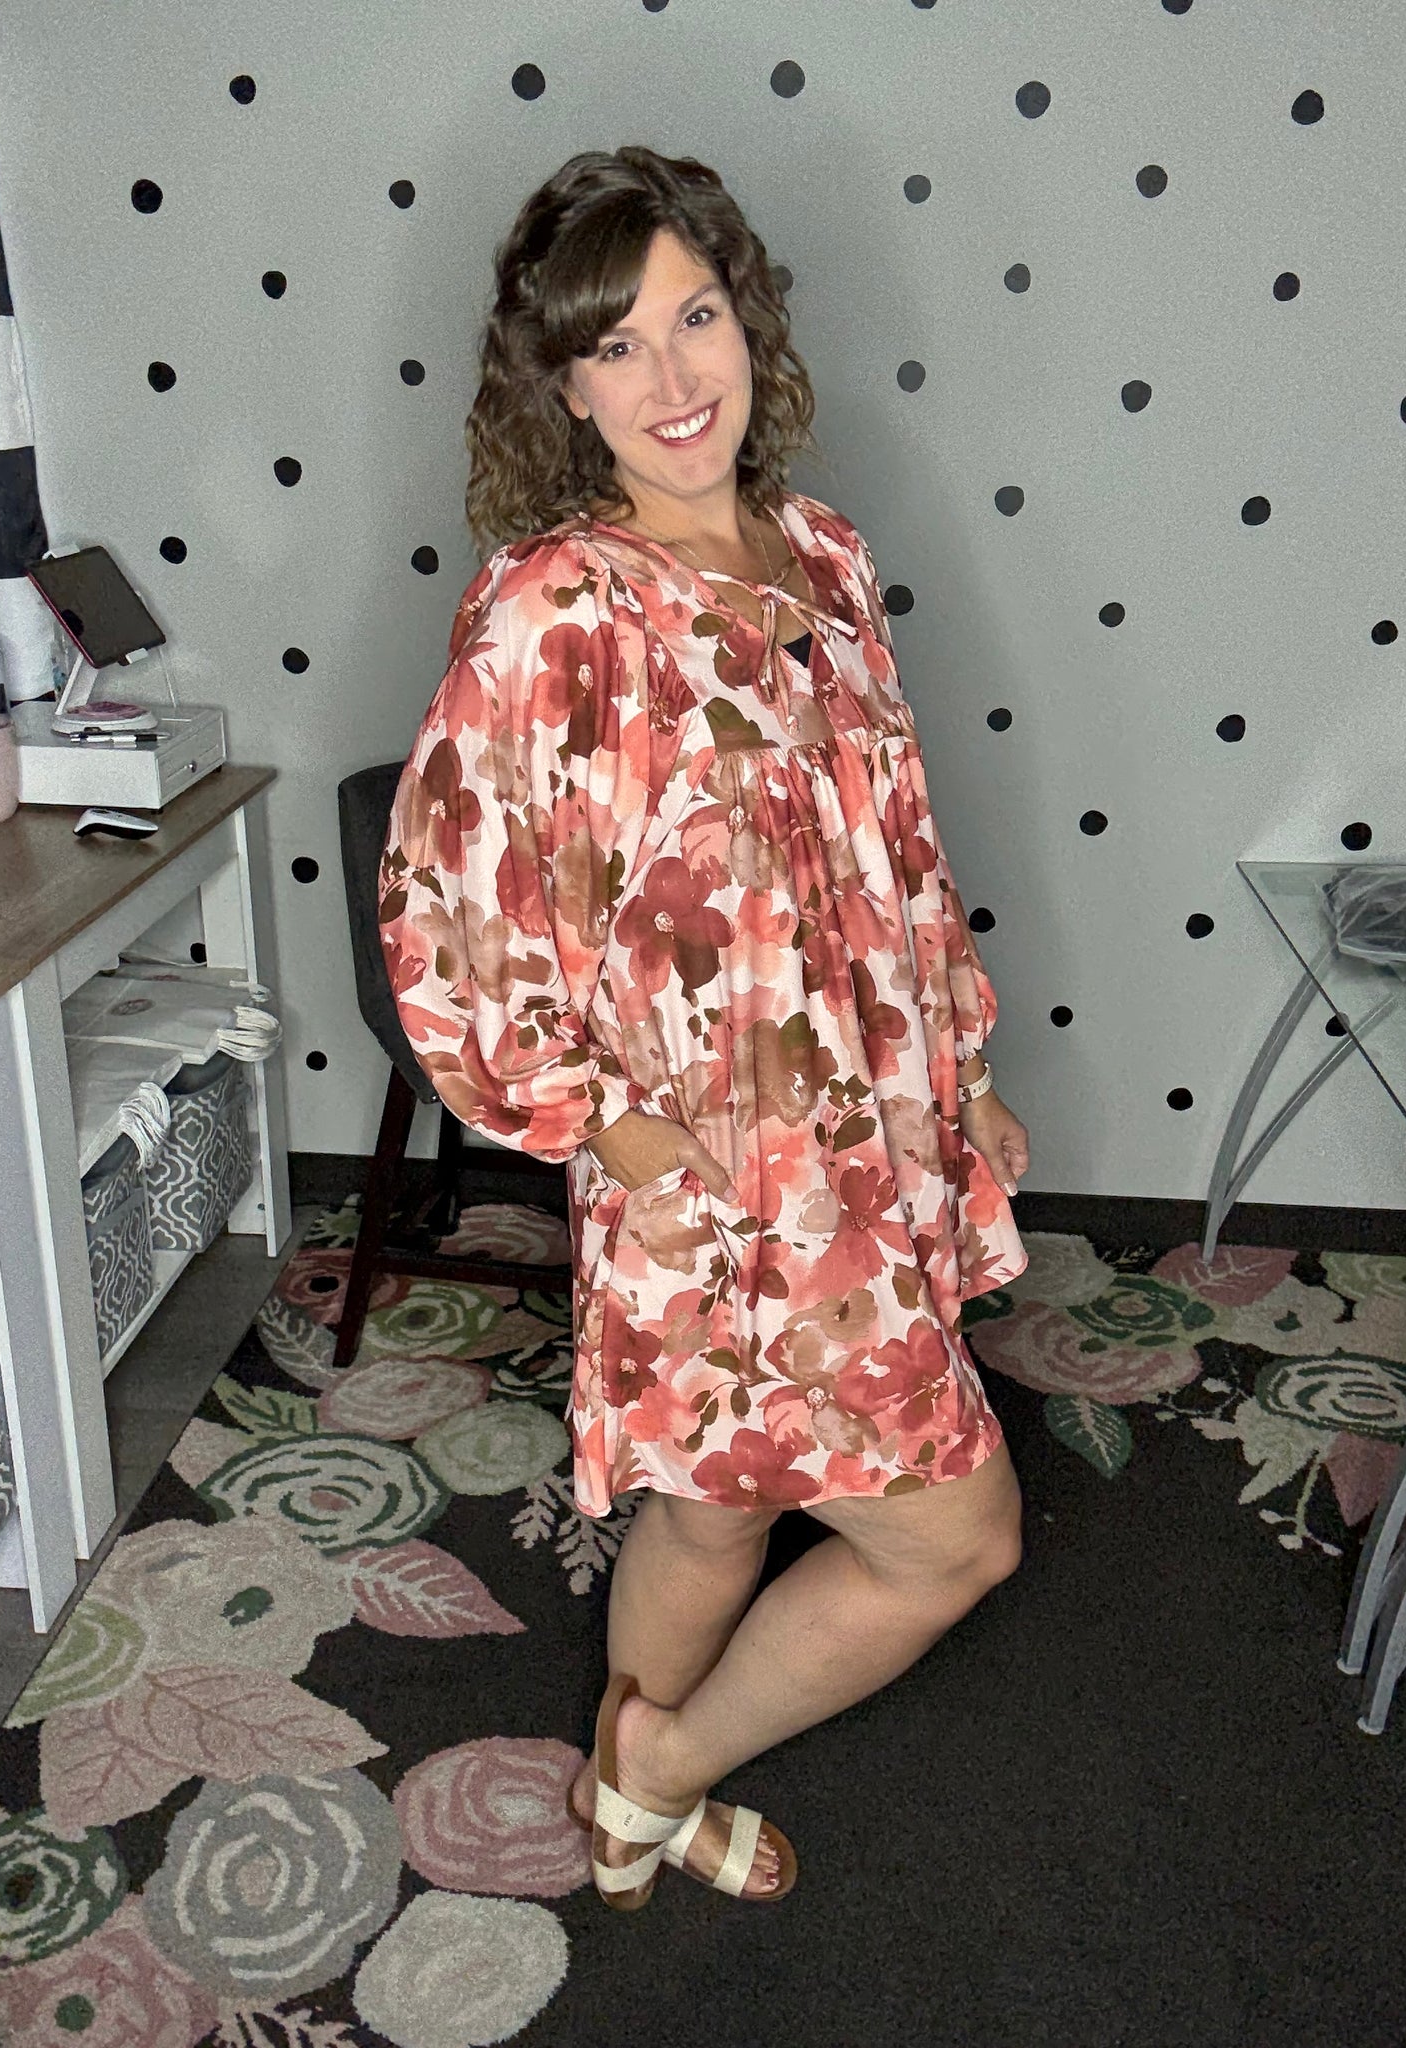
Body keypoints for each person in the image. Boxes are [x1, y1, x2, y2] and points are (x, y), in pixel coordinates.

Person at [380, 144, 1031, 1913]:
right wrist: (605, 1124)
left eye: (696, 316)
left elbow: (895, 845)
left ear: (748, 320)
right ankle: (663, 1761)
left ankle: (625, 1808)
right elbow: (450, 898)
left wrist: (962, 1063)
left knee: (716, 1501)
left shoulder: (822, 553)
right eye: (616, 346)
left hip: (870, 1131)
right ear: (563, 386)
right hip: (725, 1183)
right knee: (957, 1540)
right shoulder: (559, 605)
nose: (671, 379)